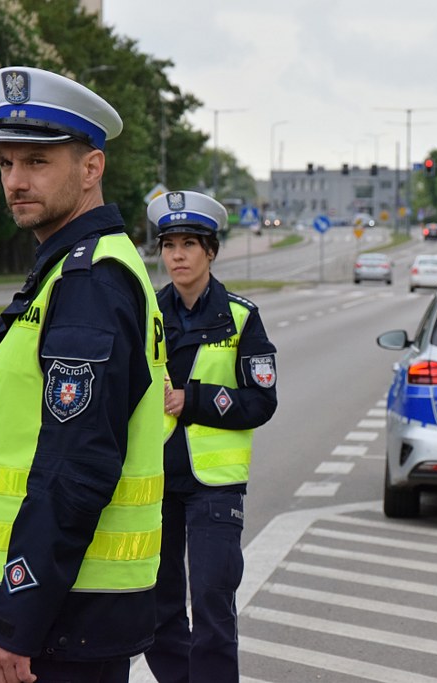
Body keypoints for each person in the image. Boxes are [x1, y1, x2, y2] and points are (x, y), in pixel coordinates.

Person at [0, 66, 167, 682]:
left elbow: (78, 463)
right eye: (6, 163)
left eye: (37, 162)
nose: (16, 181)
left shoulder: (90, 281)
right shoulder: (74, 271)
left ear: (90, 169)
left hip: (51, 631)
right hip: (64, 621)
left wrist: (17, 619)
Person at [143, 191, 278, 682]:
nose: (177, 255)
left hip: (215, 488)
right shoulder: (147, 314)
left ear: (211, 252)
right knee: (158, 610)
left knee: (212, 605)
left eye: (188, 245)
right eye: (169, 245)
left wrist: (192, 400)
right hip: (154, 483)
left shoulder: (240, 318)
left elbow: (261, 401)